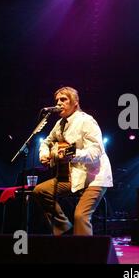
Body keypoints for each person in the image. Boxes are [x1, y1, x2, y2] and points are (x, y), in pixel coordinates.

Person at [33, 86, 113, 236]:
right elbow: (46, 142)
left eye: (63, 99)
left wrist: (72, 155)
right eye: (57, 100)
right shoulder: (59, 124)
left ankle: (85, 254)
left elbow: (96, 152)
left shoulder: (87, 121)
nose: (58, 103)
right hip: (74, 176)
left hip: (94, 177)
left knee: (80, 216)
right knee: (40, 191)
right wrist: (44, 154)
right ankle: (64, 230)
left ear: (75, 102)